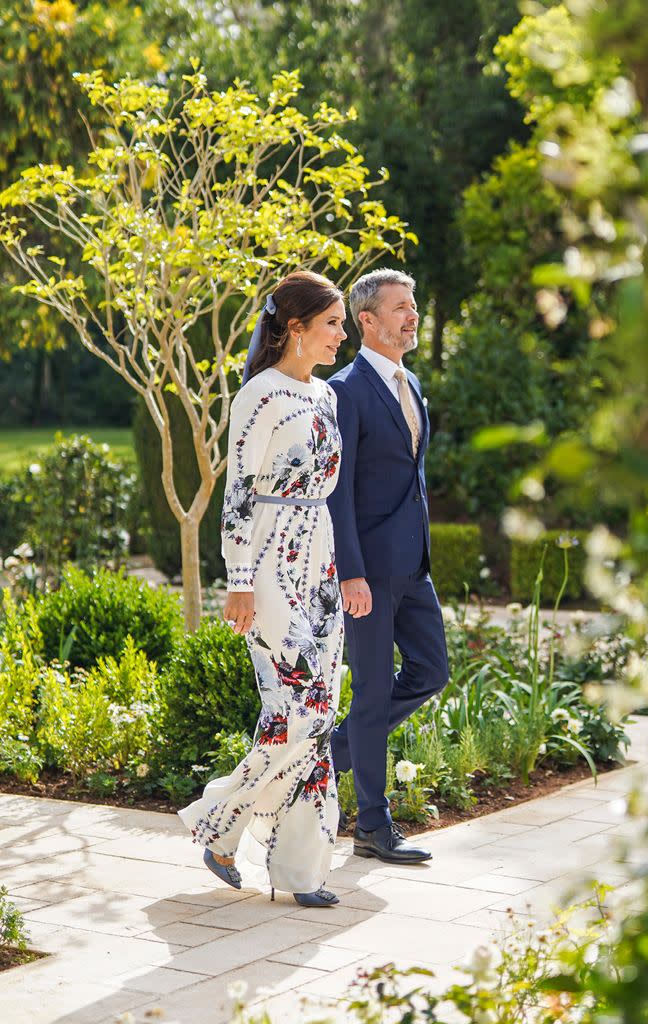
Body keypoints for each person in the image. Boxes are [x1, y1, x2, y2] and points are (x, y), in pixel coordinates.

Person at [178, 271, 347, 908]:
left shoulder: (327, 397)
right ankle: (219, 819)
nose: (341, 334)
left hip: (320, 559)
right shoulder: (259, 394)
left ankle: (300, 870)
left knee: (309, 717)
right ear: (295, 328)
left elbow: (330, 492)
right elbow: (240, 494)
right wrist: (240, 581)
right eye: (331, 323)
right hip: (271, 562)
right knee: (307, 708)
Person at [327, 268, 449, 863]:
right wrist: (349, 571)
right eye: (400, 306)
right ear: (366, 321)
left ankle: (327, 753)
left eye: (414, 303)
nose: (413, 314)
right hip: (367, 574)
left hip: (413, 568)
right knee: (373, 692)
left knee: (432, 671)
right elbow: (337, 490)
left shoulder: (413, 383)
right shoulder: (345, 390)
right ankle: (372, 827)